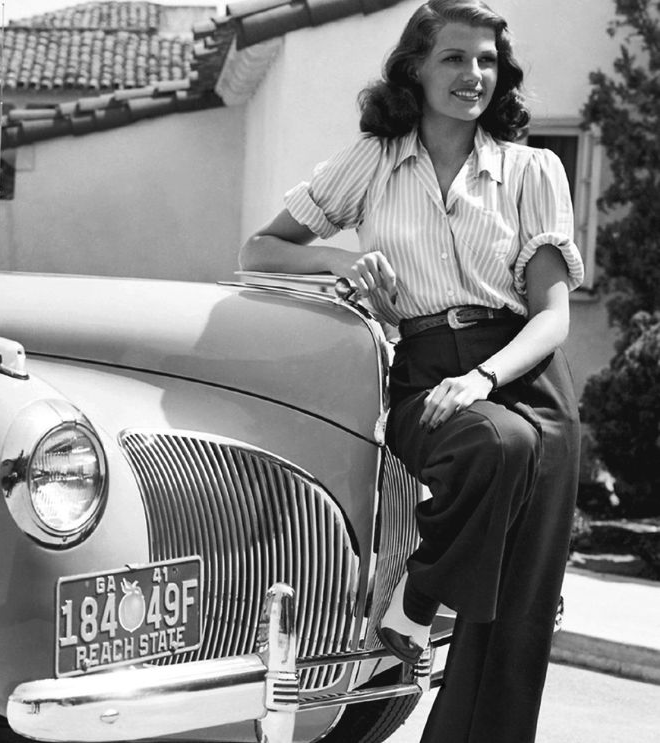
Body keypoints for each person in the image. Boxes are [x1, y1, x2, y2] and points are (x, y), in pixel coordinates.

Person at [239, 2, 582, 742]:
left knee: (515, 617)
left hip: (525, 375)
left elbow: (552, 315)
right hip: (424, 371)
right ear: (416, 69)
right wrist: (342, 261)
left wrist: (484, 378)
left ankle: (417, 610)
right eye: (455, 58)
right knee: (494, 447)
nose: (473, 75)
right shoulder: (372, 160)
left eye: (487, 60)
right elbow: (259, 250)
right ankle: (417, 600)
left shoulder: (532, 171)